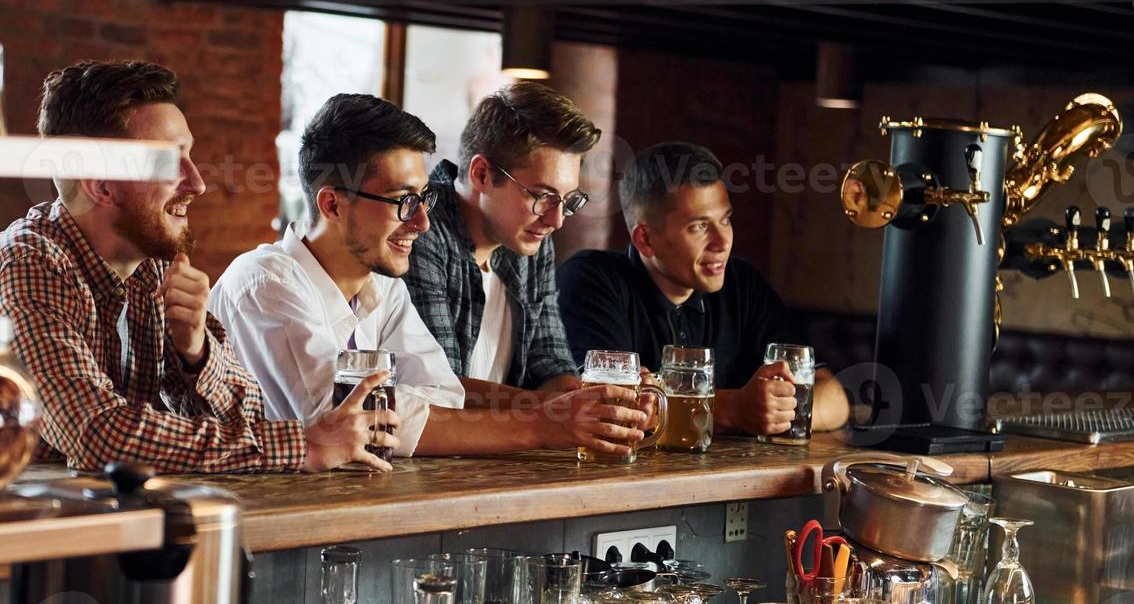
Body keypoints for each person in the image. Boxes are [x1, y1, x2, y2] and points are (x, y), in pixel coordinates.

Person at [0, 60, 396, 474]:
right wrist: (305, 447)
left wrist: (196, 353)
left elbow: (247, 413)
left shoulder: (151, 269)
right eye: (169, 161)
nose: (198, 182)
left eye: (190, 156)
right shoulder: (26, 265)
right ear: (100, 184)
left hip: (94, 530)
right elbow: (98, 436)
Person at [210, 93, 647, 458]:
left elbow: (443, 396)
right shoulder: (266, 283)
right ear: (332, 205)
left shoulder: (384, 290)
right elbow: (354, 422)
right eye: (403, 201)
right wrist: (545, 425)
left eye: (423, 200)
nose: (421, 222)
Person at [557, 142, 849, 437]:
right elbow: (612, 409)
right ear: (645, 239)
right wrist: (732, 410)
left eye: (725, 219)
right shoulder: (590, 279)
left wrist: (778, 413)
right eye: (699, 226)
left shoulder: (742, 283)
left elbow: (834, 398)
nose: (722, 242)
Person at [403, 82, 599, 399]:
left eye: (568, 200)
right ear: (482, 174)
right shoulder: (420, 229)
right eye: (542, 196)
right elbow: (439, 388)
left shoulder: (531, 240)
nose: (556, 220)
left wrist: (594, 396)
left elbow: (551, 364)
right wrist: (554, 409)